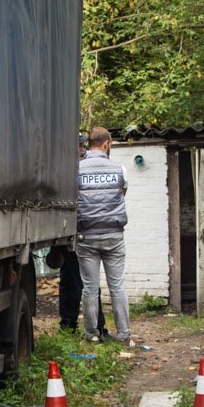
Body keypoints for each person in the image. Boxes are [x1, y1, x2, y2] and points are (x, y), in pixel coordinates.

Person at [76, 126, 130, 343]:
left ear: (89, 143)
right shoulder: (120, 170)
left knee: (90, 288)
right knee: (117, 285)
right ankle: (124, 333)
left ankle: (91, 334)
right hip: (113, 235)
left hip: (87, 236)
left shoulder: (77, 170)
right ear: (106, 143)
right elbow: (122, 194)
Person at [54, 134, 107, 334]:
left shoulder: (72, 169)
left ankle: (69, 324)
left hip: (72, 230)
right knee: (83, 280)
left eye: (84, 145)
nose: (83, 149)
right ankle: (97, 328)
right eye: (79, 146)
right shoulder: (72, 170)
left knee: (73, 278)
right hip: (74, 232)